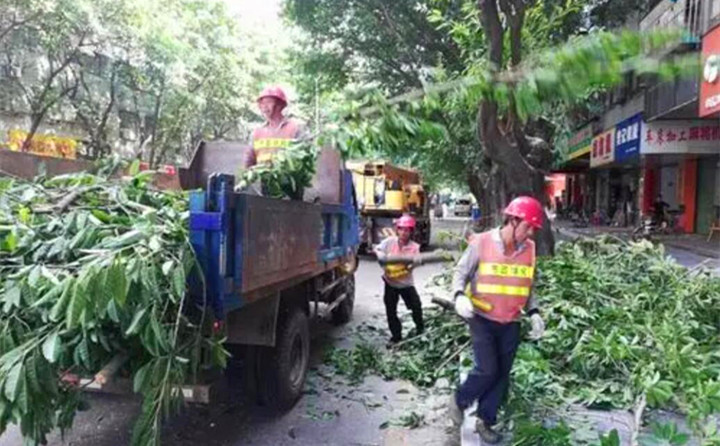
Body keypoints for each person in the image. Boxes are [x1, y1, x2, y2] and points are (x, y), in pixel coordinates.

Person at [449, 196, 546, 444]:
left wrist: (534, 312)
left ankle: (485, 420)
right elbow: (460, 273)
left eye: (534, 228)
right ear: (512, 221)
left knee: (502, 374)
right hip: (482, 317)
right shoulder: (481, 243)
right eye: (527, 226)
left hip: (511, 321)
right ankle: (460, 399)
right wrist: (459, 295)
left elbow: (528, 285)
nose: (530, 232)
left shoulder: (530, 250)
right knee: (487, 369)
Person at [374, 214, 424, 346]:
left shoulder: (414, 247)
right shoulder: (389, 242)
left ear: (411, 232)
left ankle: (420, 331)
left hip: (406, 284)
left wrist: (413, 264)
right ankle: (396, 337)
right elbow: (378, 249)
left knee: (416, 307)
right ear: (397, 230)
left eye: (407, 230)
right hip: (390, 283)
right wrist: (382, 257)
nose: (403, 232)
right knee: (391, 311)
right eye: (401, 229)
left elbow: (416, 262)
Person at [248, 86, 304, 167]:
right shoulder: (256, 132)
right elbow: (249, 160)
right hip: (261, 179)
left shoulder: (295, 129)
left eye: (269, 102)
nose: (265, 106)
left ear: (280, 105)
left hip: (288, 178)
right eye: (262, 103)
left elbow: (305, 157)